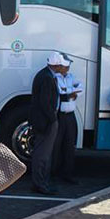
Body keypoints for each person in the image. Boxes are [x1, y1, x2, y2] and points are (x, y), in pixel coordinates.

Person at [29, 51, 67, 195]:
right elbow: (45, 102)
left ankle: (40, 182)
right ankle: (41, 184)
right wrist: (53, 118)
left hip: (43, 120)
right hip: (46, 121)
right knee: (43, 154)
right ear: (56, 64)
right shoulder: (47, 77)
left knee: (42, 153)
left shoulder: (44, 75)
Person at [52, 54, 84, 184]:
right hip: (59, 115)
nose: (68, 68)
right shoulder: (55, 78)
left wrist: (69, 91)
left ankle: (68, 174)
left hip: (70, 115)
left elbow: (80, 88)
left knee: (70, 145)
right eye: (67, 65)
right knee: (56, 146)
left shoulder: (71, 77)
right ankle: (53, 173)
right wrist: (70, 92)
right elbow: (60, 93)